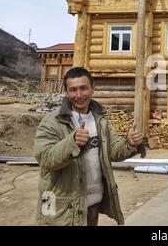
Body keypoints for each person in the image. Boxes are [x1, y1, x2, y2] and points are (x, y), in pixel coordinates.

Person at [34, 67, 144, 226]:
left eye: (83, 88)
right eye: (73, 90)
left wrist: (129, 143)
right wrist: (72, 142)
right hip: (61, 207)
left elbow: (113, 151)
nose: (78, 95)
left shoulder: (100, 120)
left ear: (93, 88)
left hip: (92, 202)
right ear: (66, 91)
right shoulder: (52, 122)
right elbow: (45, 159)